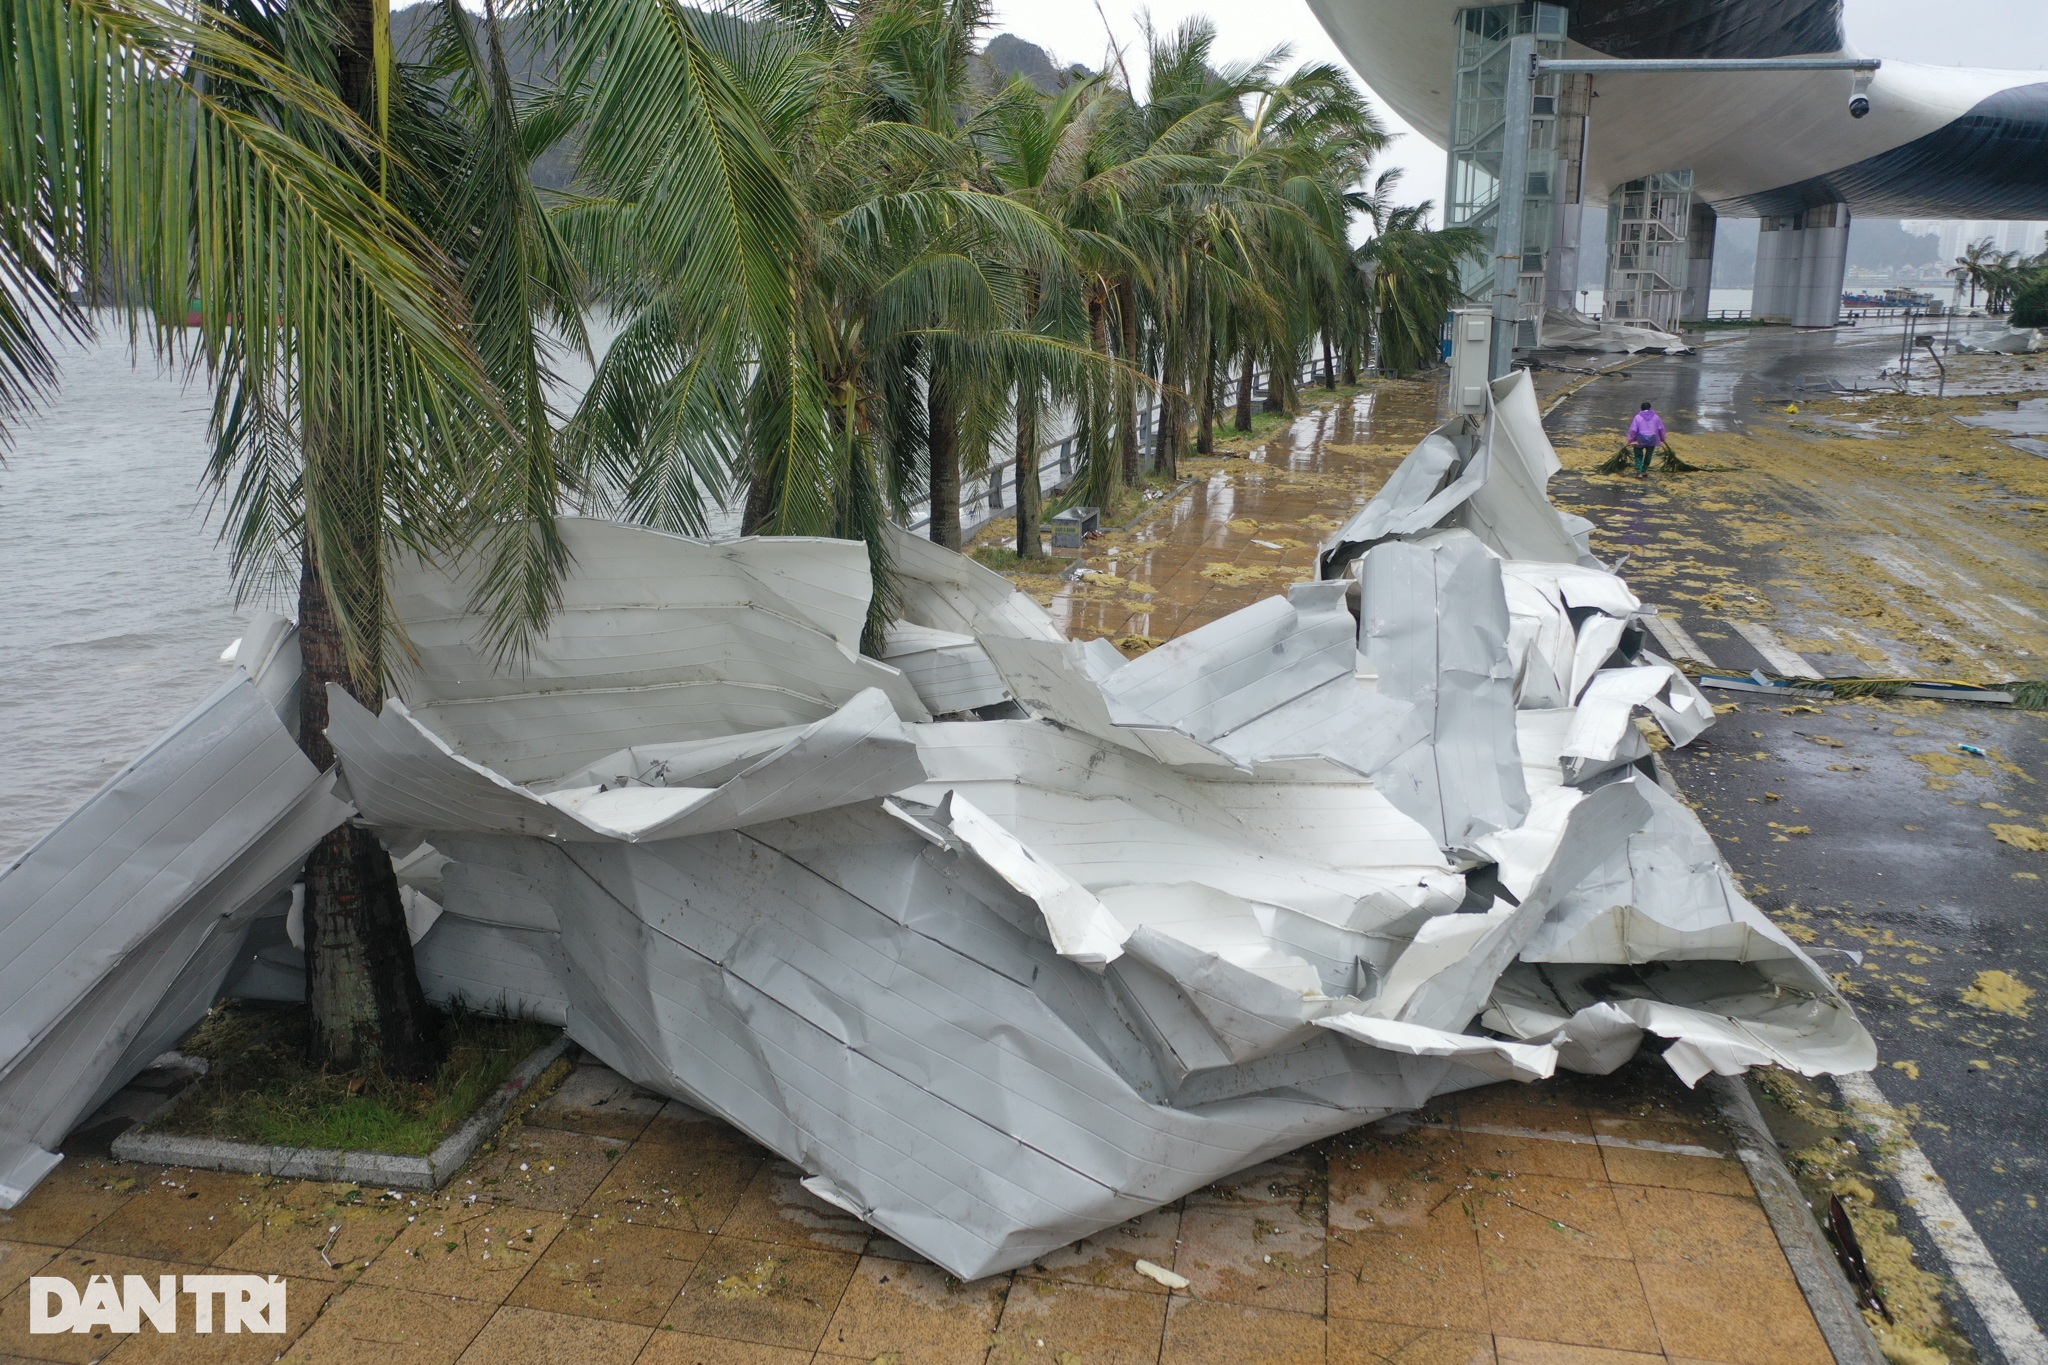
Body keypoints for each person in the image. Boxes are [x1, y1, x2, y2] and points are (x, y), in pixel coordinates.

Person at [1626, 401, 1666, 479]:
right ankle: (1644, 470)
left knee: (1638, 454)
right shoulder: (1656, 417)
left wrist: (1630, 439)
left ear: (1641, 409)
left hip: (1641, 438)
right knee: (1649, 455)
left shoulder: (1638, 417)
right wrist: (1662, 438)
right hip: (1652, 438)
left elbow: (1633, 430)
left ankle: (1640, 472)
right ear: (1650, 408)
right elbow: (1661, 428)